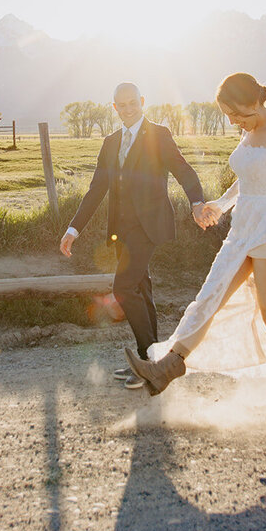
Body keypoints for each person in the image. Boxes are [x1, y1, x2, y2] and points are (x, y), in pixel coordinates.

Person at [125, 73, 266, 424]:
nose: (232, 121)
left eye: (235, 114)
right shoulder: (249, 130)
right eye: (228, 115)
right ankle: (168, 367)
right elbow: (246, 181)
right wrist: (220, 204)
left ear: (254, 102)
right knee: (210, 295)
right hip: (243, 226)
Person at [61, 82, 209, 390]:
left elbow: (183, 170)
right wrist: (73, 229)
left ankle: (147, 363)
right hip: (120, 231)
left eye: (133, 103)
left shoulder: (159, 135)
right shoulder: (111, 142)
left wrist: (196, 202)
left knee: (124, 288)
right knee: (142, 290)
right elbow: (96, 189)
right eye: (121, 105)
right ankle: (154, 362)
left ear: (142, 101)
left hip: (148, 226)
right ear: (114, 107)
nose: (128, 109)